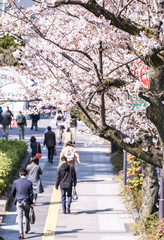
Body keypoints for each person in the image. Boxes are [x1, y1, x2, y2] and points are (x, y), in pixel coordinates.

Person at [12, 168, 33, 239]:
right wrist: (31, 203)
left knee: (20, 217)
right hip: (27, 201)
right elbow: (31, 194)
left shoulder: (15, 182)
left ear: (19, 174)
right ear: (26, 175)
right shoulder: (29, 182)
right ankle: (26, 229)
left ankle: (21, 233)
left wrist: (16, 197)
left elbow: (13, 192)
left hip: (19, 201)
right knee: (27, 216)